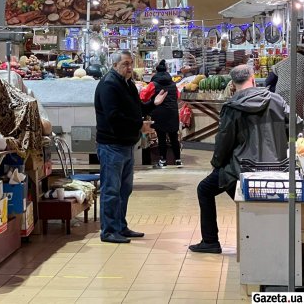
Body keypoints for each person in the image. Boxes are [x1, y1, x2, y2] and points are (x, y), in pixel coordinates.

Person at [189, 64, 290, 254]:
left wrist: (216, 164)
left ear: (232, 85)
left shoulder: (232, 107)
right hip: (278, 168)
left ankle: (210, 241)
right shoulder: (277, 100)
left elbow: (223, 142)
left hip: (243, 169)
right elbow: (296, 125)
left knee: (205, 189)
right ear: (253, 78)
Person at [95, 50, 166, 244]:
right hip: (111, 145)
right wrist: (138, 126)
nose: (129, 68)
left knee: (124, 190)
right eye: (125, 64)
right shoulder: (109, 85)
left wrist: (153, 103)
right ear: (115, 64)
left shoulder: (127, 84)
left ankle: (120, 227)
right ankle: (108, 231)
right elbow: (114, 116)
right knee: (111, 190)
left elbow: (137, 108)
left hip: (125, 145)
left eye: (130, 64)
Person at [141, 60, 182, 167]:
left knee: (161, 137)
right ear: (167, 71)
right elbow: (177, 96)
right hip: (172, 112)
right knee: (174, 137)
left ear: (156, 72)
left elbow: (143, 97)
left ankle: (163, 160)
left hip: (159, 113)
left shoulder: (153, 84)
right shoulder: (173, 84)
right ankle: (178, 160)